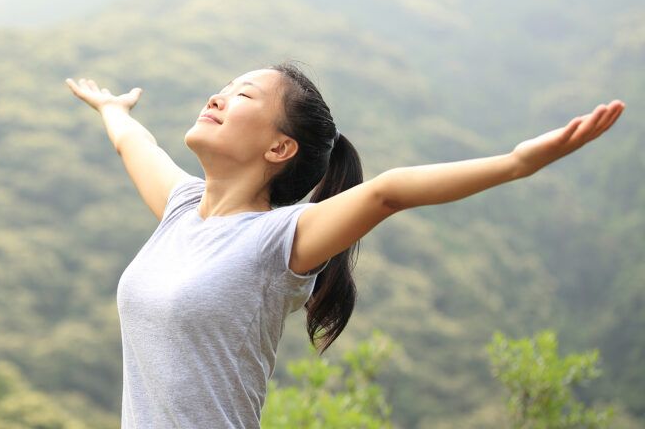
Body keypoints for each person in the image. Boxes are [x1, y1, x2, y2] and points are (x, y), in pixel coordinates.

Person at [65, 62, 625, 428]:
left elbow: (387, 193)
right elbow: (132, 143)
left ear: (280, 147)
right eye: (223, 87)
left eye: (242, 95)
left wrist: (517, 163)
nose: (217, 96)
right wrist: (113, 110)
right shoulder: (182, 208)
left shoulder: (278, 239)